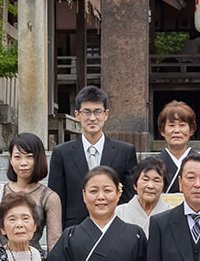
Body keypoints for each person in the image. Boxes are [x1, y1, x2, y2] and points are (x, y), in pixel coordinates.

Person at [48, 85, 138, 228]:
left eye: (97, 112)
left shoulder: (125, 151)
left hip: (115, 227)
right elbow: (57, 200)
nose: (92, 118)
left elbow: (129, 197)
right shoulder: (61, 153)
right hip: (74, 230)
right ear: (77, 115)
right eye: (86, 112)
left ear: (106, 114)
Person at [0, 132, 61, 251]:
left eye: (29, 157)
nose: (23, 163)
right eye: (17, 157)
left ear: (39, 159)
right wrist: (4, 256)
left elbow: (54, 241)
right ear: (10, 159)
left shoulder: (49, 197)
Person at [156, 100, 197, 195]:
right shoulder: (153, 164)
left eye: (182, 125)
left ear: (191, 130)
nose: (177, 130)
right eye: (171, 125)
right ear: (162, 131)